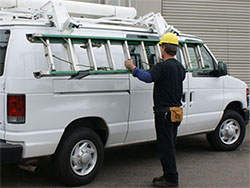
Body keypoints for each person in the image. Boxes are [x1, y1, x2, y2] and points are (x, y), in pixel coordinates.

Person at [125, 32, 186, 187]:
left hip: (164, 113)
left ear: (164, 48)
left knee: (165, 147)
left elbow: (147, 77)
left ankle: (171, 179)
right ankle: (167, 175)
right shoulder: (179, 67)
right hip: (176, 112)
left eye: (161, 47)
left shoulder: (162, 66)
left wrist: (132, 67)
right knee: (170, 145)